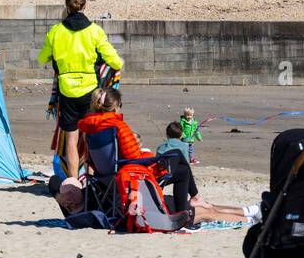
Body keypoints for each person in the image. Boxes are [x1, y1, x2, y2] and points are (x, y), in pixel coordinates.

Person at [76, 90, 226, 224]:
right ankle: (188, 208)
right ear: (115, 107)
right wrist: (148, 155)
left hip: (104, 180)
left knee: (181, 170)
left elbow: (90, 159)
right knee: (180, 161)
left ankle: (192, 202)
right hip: (131, 177)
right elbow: (134, 156)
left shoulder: (89, 129)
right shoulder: (118, 126)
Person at [38, 0, 124, 182]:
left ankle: (73, 180)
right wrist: (116, 66)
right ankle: (92, 178)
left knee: (71, 138)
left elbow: (42, 57)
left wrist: (57, 54)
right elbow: (115, 61)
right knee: (91, 136)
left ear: (66, 6)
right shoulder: (94, 31)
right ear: (84, 6)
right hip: (89, 90)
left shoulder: (56, 31)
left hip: (67, 90)